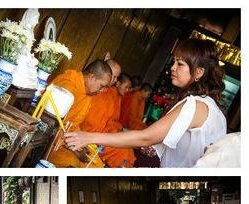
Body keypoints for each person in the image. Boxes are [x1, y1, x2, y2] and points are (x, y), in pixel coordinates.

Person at [65, 39, 227, 167]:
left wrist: (87, 137)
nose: (172, 68)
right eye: (173, 62)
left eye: (180, 64)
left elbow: (145, 137)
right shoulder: (209, 107)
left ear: (198, 72)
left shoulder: (196, 105)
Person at [46, 59, 112, 167]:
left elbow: (74, 124)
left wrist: (82, 141)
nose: (102, 91)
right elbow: (53, 124)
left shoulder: (88, 93)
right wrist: (75, 151)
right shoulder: (68, 86)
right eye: (101, 86)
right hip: (52, 142)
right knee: (73, 163)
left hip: (68, 140)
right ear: (91, 77)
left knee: (97, 164)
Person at [80, 70, 136, 168]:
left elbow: (113, 120)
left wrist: (118, 130)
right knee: (122, 151)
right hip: (98, 133)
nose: (127, 90)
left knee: (128, 147)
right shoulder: (106, 93)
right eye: (126, 87)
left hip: (108, 131)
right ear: (118, 84)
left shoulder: (117, 97)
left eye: (129, 88)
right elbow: (95, 122)